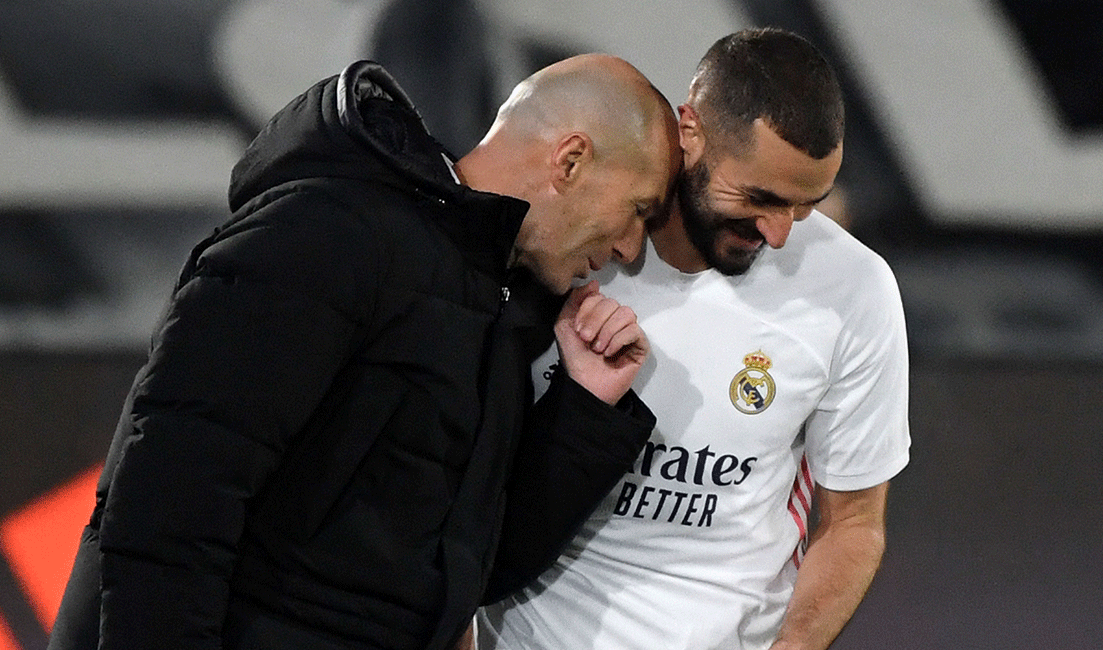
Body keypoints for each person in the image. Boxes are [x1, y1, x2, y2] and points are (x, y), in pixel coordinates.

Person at [48, 53, 680, 650]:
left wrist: (582, 406)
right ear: (569, 161)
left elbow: (468, 570)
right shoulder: (325, 231)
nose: (631, 248)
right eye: (638, 210)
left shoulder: (497, 309)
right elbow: (167, 498)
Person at [479, 28, 910, 650]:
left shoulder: (854, 287)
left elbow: (855, 522)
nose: (780, 232)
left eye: (804, 205)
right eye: (759, 197)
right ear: (691, 131)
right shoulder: (566, 240)